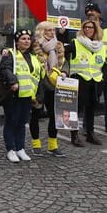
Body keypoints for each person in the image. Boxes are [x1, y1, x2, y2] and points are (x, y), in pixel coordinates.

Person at [0, 29, 44, 163]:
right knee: (11, 121)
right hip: (13, 94)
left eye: (28, 39)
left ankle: (20, 148)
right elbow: (5, 69)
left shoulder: (33, 57)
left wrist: (39, 96)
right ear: (17, 42)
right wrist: (13, 81)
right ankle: (11, 149)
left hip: (28, 96)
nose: (26, 41)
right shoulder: (10, 54)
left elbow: (38, 77)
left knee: (22, 123)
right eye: (23, 39)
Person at [64, 19, 106, 146]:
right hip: (80, 80)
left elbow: (103, 64)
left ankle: (90, 134)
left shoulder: (101, 46)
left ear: (96, 30)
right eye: (85, 27)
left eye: (91, 27)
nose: (88, 29)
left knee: (91, 108)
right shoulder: (75, 43)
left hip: (96, 81)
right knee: (76, 109)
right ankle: (74, 135)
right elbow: (61, 54)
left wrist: (102, 78)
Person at [29, 21, 66, 157]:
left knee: (54, 116)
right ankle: (36, 144)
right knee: (36, 114)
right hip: (39, 86)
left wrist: (64, 73)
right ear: (41, 31)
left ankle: (53, 145)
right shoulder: (34, 45)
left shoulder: (59, 45)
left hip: (54, 85)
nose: (51, 32)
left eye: (53, 30)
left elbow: (64, 63)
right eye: (48, 30)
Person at [84, 2, 107, 135]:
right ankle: (87, 126)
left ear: (99, 13)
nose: (90, 14)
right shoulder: (85, 29)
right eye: (88, 13)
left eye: (92, 11)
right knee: (92, 98)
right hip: (93, 68)